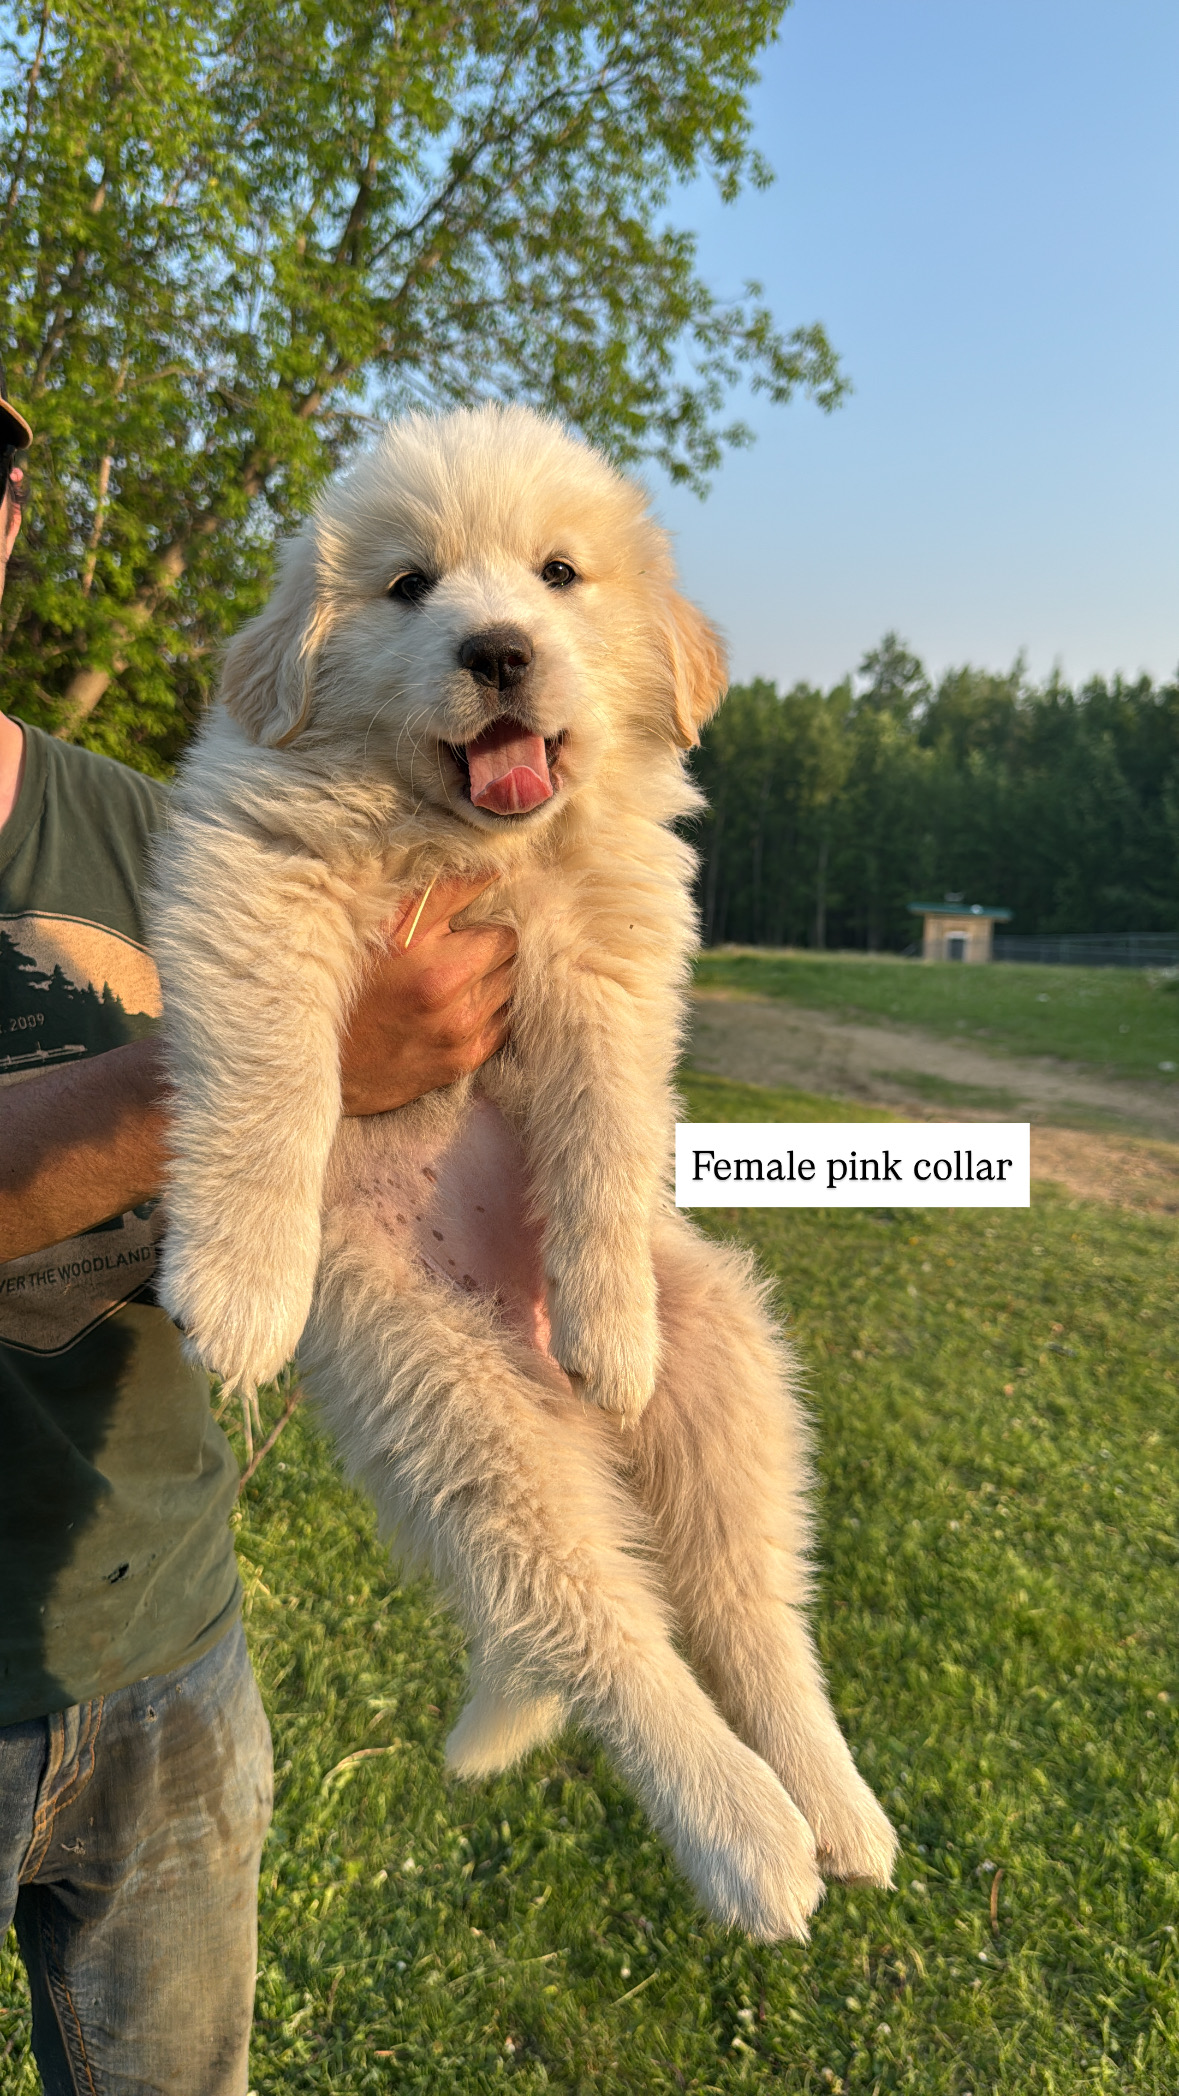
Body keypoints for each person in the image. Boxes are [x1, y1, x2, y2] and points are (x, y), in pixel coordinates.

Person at [0, 382, 518, 2094]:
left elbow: (402, 1064)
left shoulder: (148, 826)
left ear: (9, 523)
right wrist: (260, 1061)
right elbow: (296, 1062)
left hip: (171, 1638)